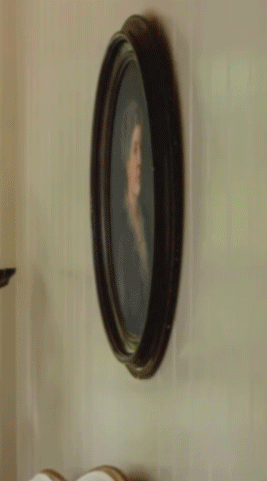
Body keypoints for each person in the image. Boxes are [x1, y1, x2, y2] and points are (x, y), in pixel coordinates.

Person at [110, 95, 153, 337]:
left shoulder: (148, 219)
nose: (139, 162)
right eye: (134, 150)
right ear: (125, 156)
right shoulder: (118, 227)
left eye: (142, 150)